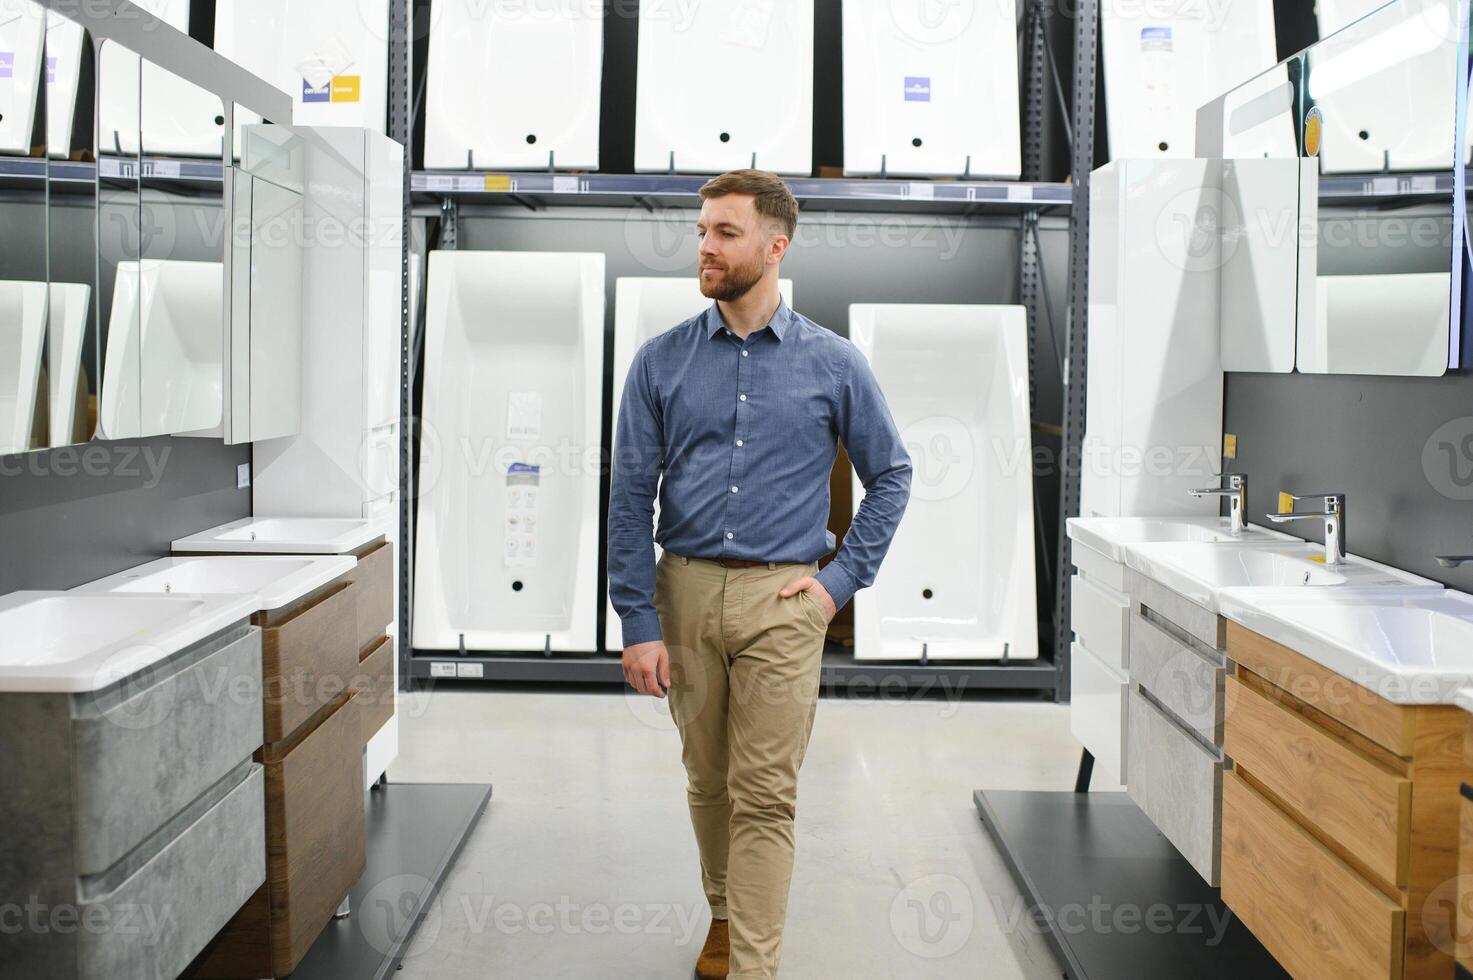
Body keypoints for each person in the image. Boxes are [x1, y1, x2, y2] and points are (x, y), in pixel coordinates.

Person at [607, 169, 913, 980]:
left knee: (765, 792)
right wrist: (637, 621)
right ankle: (722, 912)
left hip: (785, 599)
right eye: (702, 229)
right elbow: (629, 494)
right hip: (683, 594)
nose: (705, 246)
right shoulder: (659, 362)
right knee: (707, 780)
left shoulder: (835, 365)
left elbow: (893, 475)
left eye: (725, 233)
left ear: (776, 247)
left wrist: (836, 585)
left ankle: (754, 965)